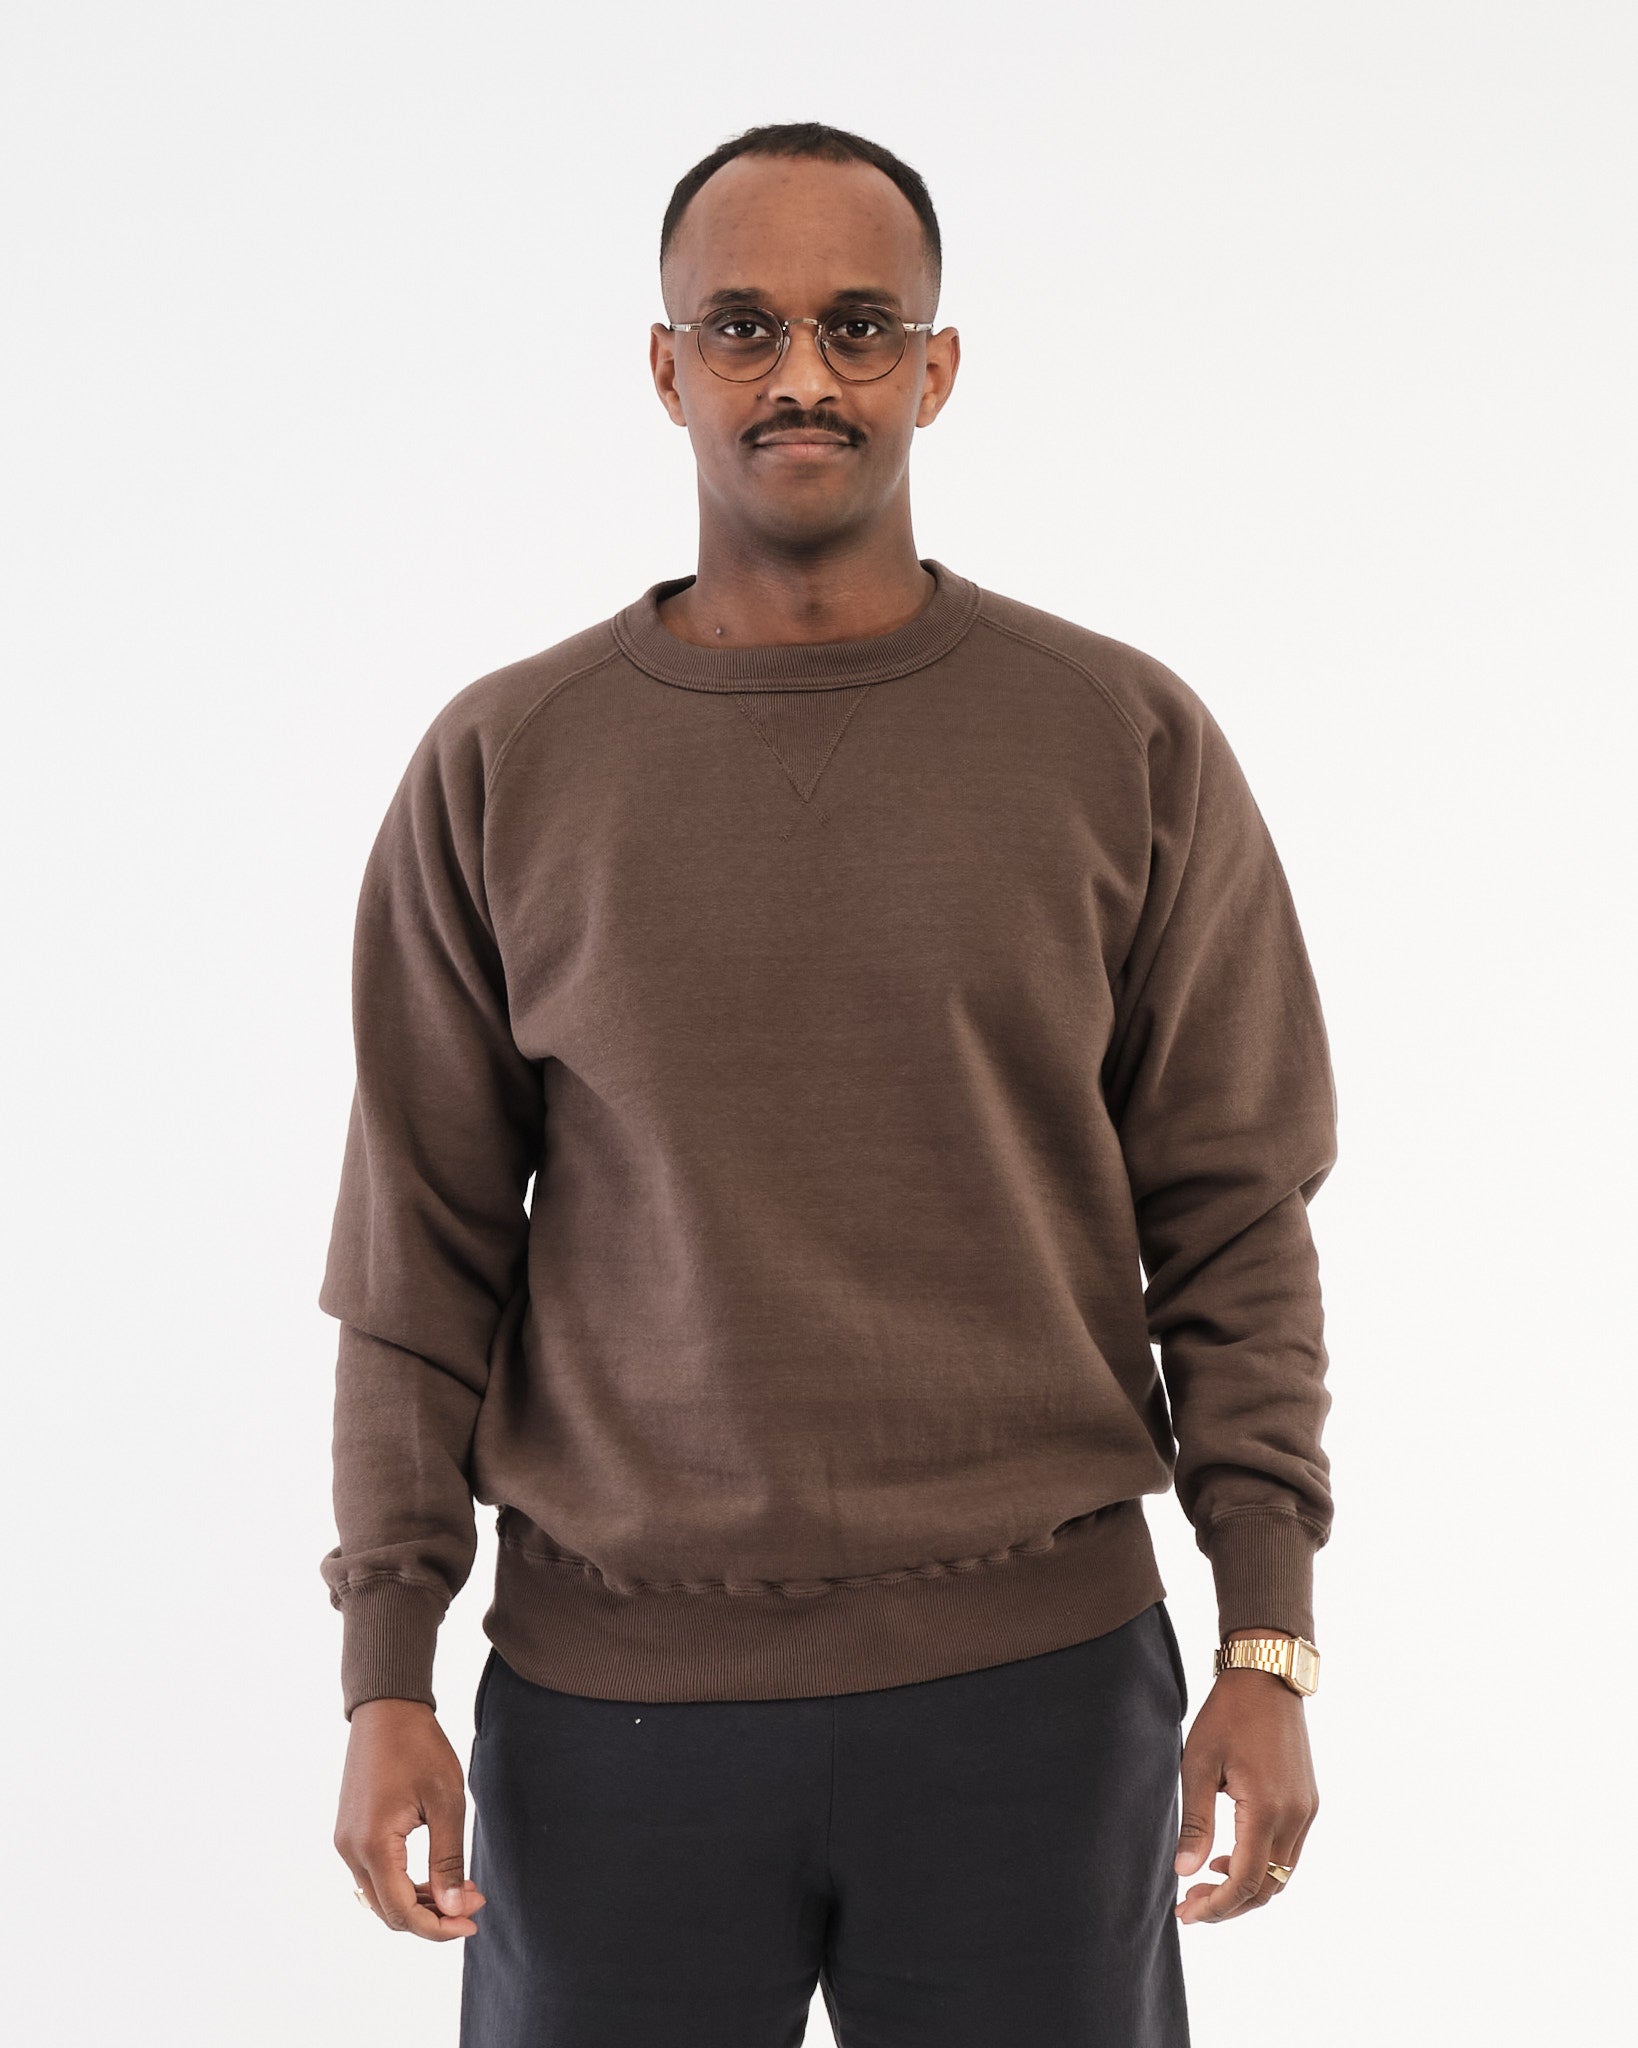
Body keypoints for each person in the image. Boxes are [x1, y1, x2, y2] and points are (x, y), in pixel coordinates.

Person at [321, 120, 1337, 2048]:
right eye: (744, 326)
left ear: (934, 370)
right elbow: (416, 1258)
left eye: (859, 326)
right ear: (666, 367)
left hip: (1038, 1699)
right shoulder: (505, 763)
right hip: (608, 1715)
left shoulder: (1117, 739)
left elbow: (1232, 1216)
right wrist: (385, 1668)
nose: (802, 373)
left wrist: (1266, 1635)